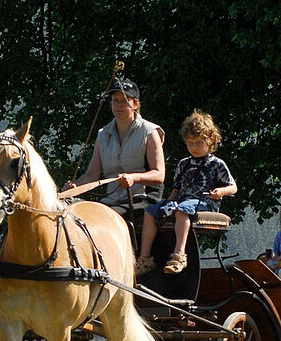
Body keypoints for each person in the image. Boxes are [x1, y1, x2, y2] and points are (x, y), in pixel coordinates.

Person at [137, 110, 237, 275]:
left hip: (206, 203)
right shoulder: (183, 164)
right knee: (150, 212)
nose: (194, 147)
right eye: (190, 143)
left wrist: (221, 192)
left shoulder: (217, 164)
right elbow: (177, 189)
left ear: (210, 139)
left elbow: (233, 187)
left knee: (181, 210)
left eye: (198, 142)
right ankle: (145, 259)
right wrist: (166, 204)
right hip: (180, 202)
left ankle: (179, 255)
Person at [63, 77, 165, 218]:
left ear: (135, 104)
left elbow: (159, 174)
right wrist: (74, 187)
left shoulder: (149, 131)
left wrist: (134, 178)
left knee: (104, 218)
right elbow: (92, 174)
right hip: (110, 202)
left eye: (124, 101)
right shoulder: (102, 135)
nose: (118, 105)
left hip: (141, 199)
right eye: (115, 101)